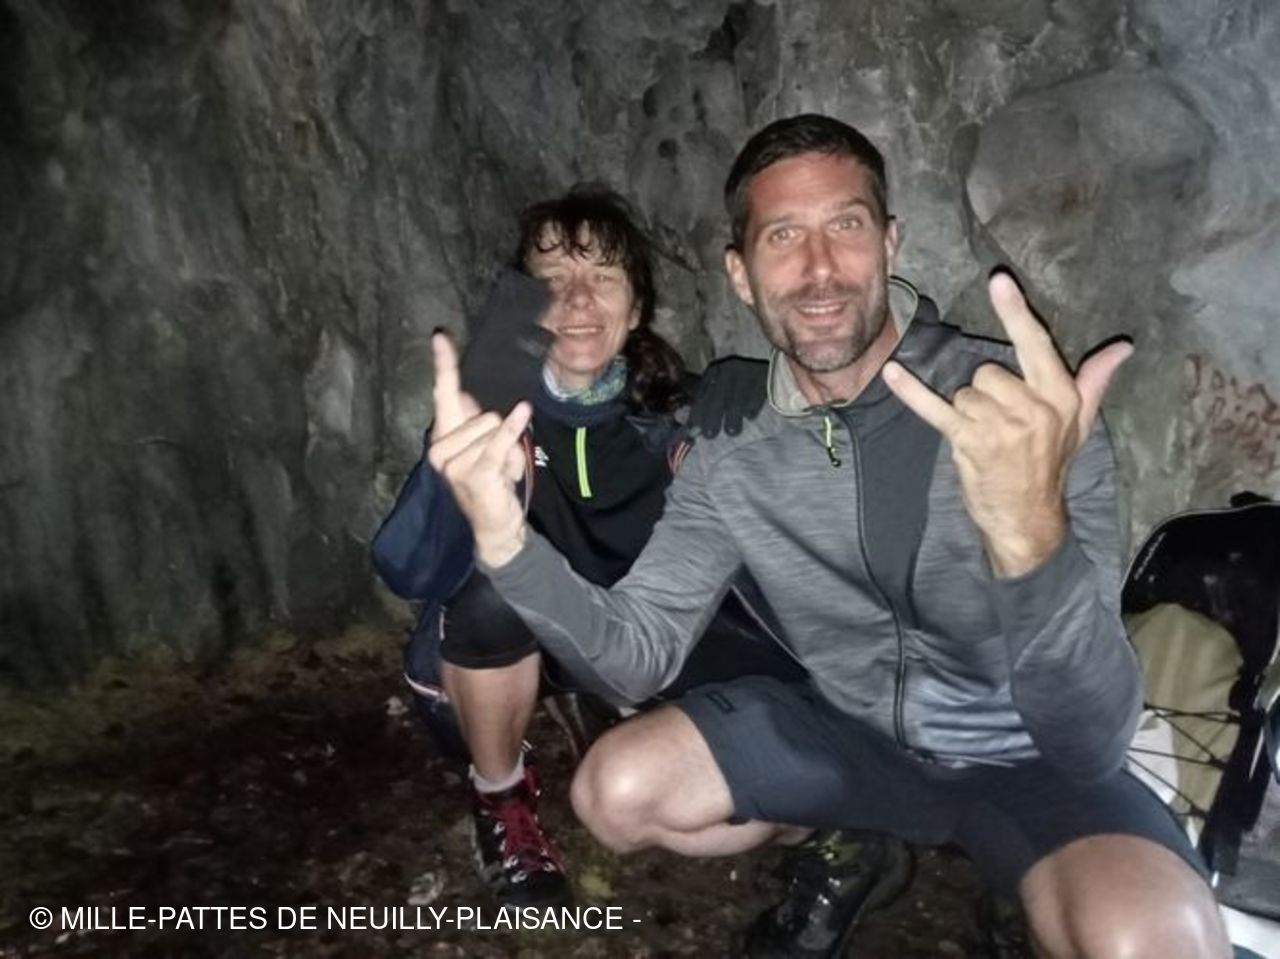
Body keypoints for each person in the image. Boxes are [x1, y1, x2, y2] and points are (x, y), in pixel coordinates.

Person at [428, 115, 1234, 958]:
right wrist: (505, 540)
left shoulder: (1019, 414)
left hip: (1034, 766)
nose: (818, 268)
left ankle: (1020, 890)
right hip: (851, 739)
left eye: (845, 224)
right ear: (740, 275)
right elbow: (637, 657)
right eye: (783, 236)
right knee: (617, 792)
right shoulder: (732, 444)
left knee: (1151, 942)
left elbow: (1090, 739)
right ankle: (852, 843)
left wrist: (1030, 535)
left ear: (889, 242)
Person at [370, 186, 816, 915]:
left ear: (636, 308)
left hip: (650, 638)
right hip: (534, 638)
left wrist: (755, 405)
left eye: (603, 275)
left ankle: (827, 825)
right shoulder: (490, 414)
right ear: (526, 305)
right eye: (553, 277)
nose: (578, 299)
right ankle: (500, 798)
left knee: (782, 737)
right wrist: (449, 477)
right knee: (489, 594)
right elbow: (406, 569)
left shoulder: (686, 415)